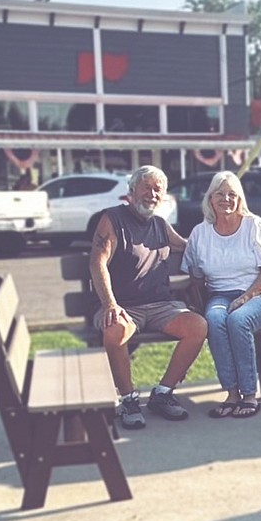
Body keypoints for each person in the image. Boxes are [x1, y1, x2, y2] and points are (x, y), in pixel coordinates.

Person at [89, 165, 208, 431]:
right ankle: (129, 399)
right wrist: (110, 304)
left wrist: (223, 238)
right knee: (115, 329)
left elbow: (189, 247)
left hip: (161, 306)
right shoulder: (112, 219)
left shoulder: (160, 225)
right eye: (146, 187)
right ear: (132, 191)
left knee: (198, 326)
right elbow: (98, 263)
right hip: (123, 306)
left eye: (158, 190)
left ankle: (163, 393)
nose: (151, 194)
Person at [182, 171, 261, 419]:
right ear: (210, 199)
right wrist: (197, 304)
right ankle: (231, 394)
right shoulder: (200, 233)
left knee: (238, 320)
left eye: (232, 194)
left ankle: (249, 394)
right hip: (219, 295)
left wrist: (246, 297)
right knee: (215, 320)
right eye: (220, 194)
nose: (226, 199)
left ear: (240, 199)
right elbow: (194, 275)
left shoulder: (253, 225)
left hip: (260, 295)